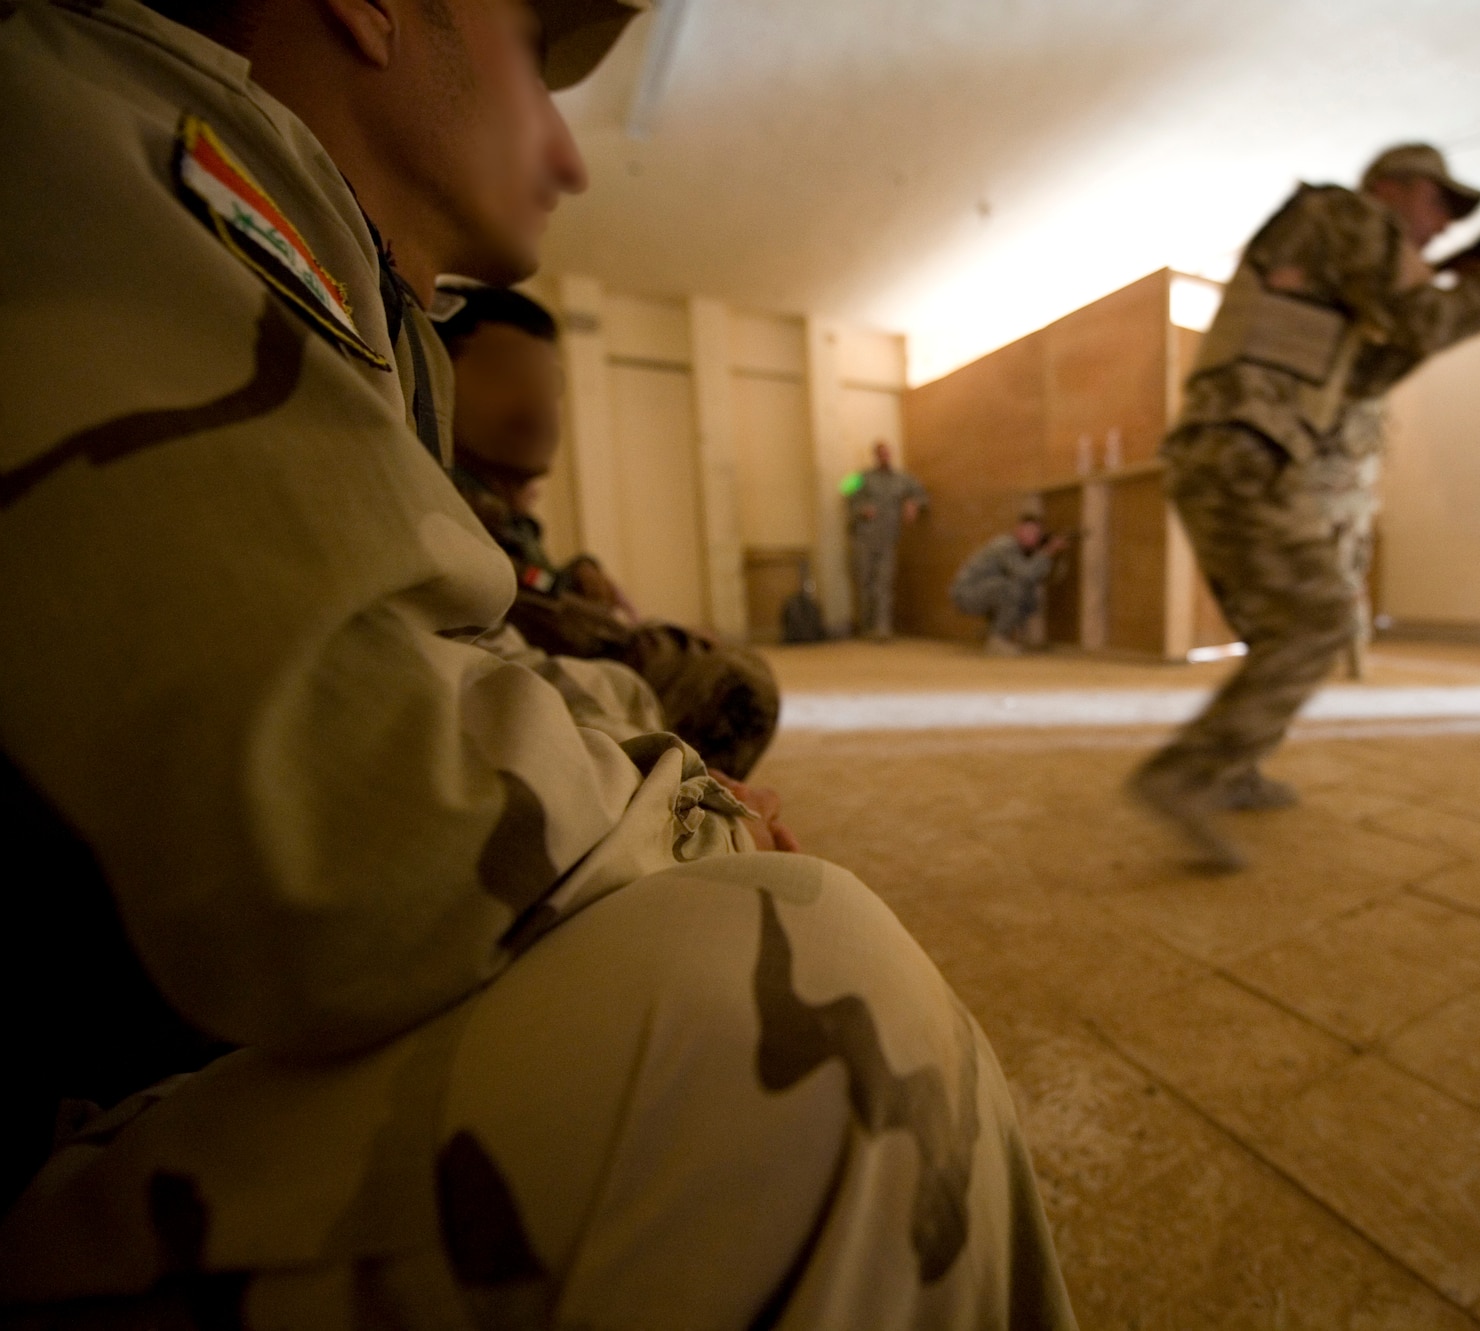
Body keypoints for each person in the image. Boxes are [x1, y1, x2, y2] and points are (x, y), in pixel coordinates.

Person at [0, 0, 1075, 1324]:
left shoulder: (351, 291)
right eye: (527, 48)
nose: (569, 157)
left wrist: (658, 782)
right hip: (75, 1138)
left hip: (173, 1036)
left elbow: (457, 654)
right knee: (799, 1005)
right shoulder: (113, 137)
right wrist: (696, 812)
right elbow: (365, 824)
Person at [1129, 142, 1480, 869]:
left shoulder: (1330, 260)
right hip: (1244, 448)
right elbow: (1425, 324)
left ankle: (1230, 767)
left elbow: (1367, 372)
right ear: (1391, 187)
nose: (1440, 228)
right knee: (1316, 618)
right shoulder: (1346, 214)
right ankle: (1183, 775)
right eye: (1439, 204)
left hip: (1243, 449)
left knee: (1278, 621)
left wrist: (1463, 282)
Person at [440, 282, 781, 777]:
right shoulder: (451, 500)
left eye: (548, 382)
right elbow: (536, 622)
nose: (538, 402)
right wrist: (662, 635)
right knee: (730, 679)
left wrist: (578, 570)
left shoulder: (496, 505)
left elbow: (537, 586)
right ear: (434, 379)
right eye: (509, 375)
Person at [951, 514, 1069, 655]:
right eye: (1028, 532)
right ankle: (997, 639)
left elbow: (1035, 577)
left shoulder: (1025, 551)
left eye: (1036, 534)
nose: (1033, 537)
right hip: (967, 594)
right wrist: (1047, 552)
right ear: (1018, 531)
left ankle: (998, 635)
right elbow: (1025, 574)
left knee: (1028, 597)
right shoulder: (1005, 545)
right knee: (1010, 588)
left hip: (986, 591)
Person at [847, 439, 928, 640]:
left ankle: (882, 628)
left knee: (884, 584)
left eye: (887, 453)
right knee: (865, 582)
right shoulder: (861, 477)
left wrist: (913, 504)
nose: (884, 457)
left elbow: (922, 494)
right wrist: (860, 509)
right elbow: (844, 493)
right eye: (880, 453)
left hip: (888, 540)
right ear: (875, 456)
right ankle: (866, 627)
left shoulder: (902, 479)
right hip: (864, 539)